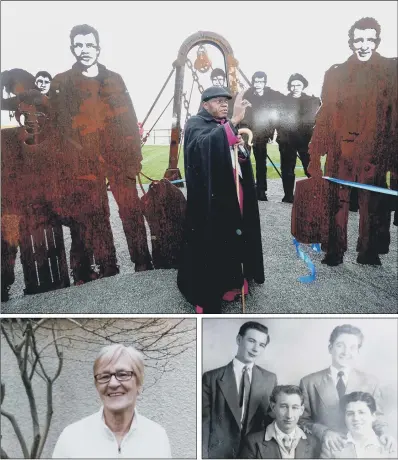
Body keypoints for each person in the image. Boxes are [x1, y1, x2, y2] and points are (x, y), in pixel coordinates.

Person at [49, 24, 153, 272]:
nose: (84, 50)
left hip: (119, 158)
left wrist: (135, 157)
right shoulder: (62, 82)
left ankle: (142, 261)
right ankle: (108, 265)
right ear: (72, 48)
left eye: (89, 45)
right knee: (97, 215)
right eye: (79, 45)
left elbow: (129, 118)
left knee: (131, 210)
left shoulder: (114, 79)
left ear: (98, 48)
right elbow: (57, 128)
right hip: (85, 164)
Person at [308, 17, 397, 266]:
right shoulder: (336, 73)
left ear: (377, 41)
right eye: (359, 39)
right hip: (340, 150)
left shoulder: (391, 71)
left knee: (373, 204)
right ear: (351, 42)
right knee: (336, 202)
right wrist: (316, 153)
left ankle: (368, 251)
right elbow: (324, 115)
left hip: (373, 151)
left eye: (370, 39)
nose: (364, 45)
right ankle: (334, 251)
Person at [177, 86, 264, 313]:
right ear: (205, 105)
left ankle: (231, 283)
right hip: (210, 201)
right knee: (212, 243)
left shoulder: (223, 126)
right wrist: (233, 122)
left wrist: (241, 150)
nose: (224, 104)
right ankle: (206, 295)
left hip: (234, 193)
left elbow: (239, 158)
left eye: (226, 101)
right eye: (218, 101)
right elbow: (202, 149)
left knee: (233, 239)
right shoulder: (195, 123)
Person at [52, 344, 172, 458]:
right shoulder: (72, 437)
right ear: (97, 386)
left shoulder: (157, 437)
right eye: (104, 376)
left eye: (123, 374)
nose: (113, 383)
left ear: (139, 384)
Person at [299, 324, 394, 454]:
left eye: (352, 347)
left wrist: (384, 434)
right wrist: (325, 432)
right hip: (321, 448)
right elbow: (301, 420)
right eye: (340, 345)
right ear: (330, 348)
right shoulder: (309, 382)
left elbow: (377, 416)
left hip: (361, 450)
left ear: (358, 352)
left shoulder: (371, 382)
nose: (346, 352)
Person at [202, 321, 277, 459]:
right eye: (251, 341)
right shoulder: (211, 378)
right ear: (239, 339)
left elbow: (271, 420)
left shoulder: (270, 379)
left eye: (261, 345)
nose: (255, 349)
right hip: (219, 454)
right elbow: (204, 423)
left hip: (254, 453)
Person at [240, 385, 321, 459]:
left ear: (301, 410)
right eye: (283, 407)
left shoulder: (314, 443)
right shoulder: (253, 443)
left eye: (295, 407)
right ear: (273, 407)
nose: (289, 415)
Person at [277, 74, 320, 203]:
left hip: (305, 139)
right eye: (293, 85)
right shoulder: (283, 101)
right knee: (287, 169)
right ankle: (288, 195)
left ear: (303, 86)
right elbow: (278, 120)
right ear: (290, 86)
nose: (295, 87)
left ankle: (316, 194)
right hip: (287, 140)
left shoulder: (310, 100)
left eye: (298, 85)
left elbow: (313, 118)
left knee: (310, 167)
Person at [242, 71, 284, 201]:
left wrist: (271, 132)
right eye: (256, 81)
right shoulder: (247, 94)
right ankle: (246, 188)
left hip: (261, 134)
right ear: (253, 82)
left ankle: (261, 190)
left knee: (261, 163)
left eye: (261, 81)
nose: (258, 84)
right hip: (246, 133)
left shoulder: (270, 97)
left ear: (264, 83)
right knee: (243, 160)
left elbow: (272, 116)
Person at [320, 392, 397, 458]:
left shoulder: (389, 446)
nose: (356, 418)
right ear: (344, 418)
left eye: (361, 412)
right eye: (350, 414)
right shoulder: (332, 447)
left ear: (373, 416)